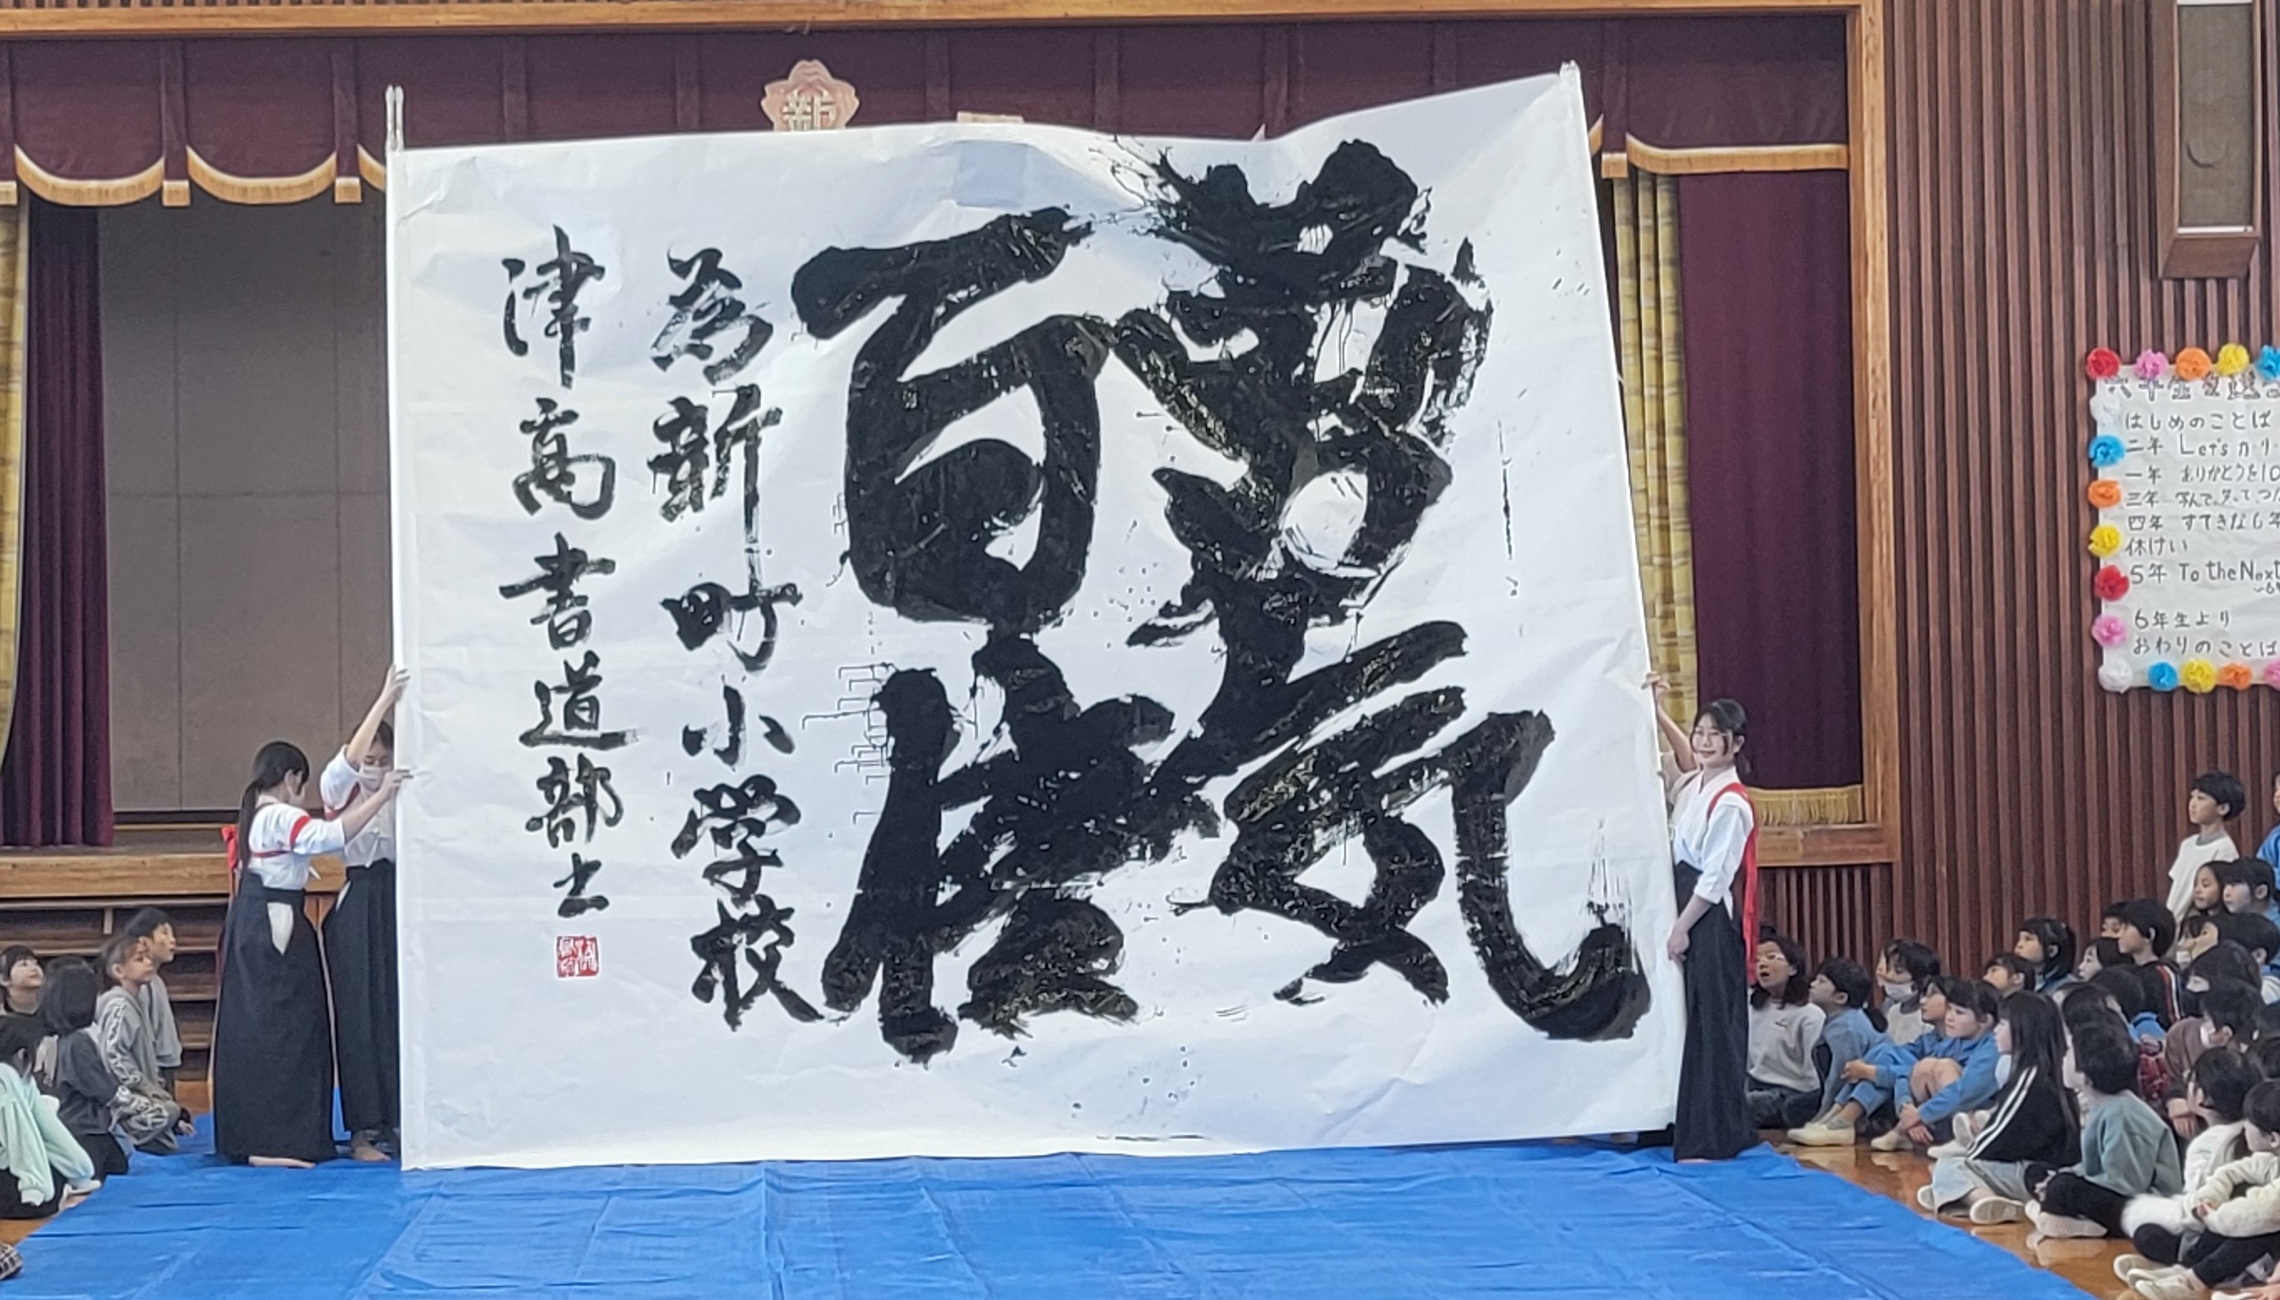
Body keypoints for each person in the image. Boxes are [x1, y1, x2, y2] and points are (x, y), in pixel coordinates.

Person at [213, 739, 405, 1167]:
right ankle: (277, 1141)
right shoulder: (279, 815)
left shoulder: (256, 813)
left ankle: (265, 1139)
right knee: (289, 1031)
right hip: (275, 923)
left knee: (266, 1029)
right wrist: (381, 795)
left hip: (262, 921)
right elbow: (330, 836)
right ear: (292, 778)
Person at [1650, 680, 1757, 1161]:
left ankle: (1714, 1136)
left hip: (1706, 919)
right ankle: (1682, 1123)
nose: (1704, 741)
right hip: (1682, 903)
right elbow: (1682, 761)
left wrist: (1682, 927)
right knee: (1684, 1017)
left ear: (1735, 744)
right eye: (1700, 732)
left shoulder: (1731, 802)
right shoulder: (1696, 785)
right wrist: (1658, 712)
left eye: (1716, 734)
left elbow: (1715, 878)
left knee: (1711, 1023)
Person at [324, 669, 406, 1164]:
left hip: (398, 896)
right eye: (369, 761)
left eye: (383, 760)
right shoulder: (342, 788)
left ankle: (400, 1117)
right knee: (358, 1015)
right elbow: (349, 764)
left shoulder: (404, 784)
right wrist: (384, 699)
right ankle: (362, 1129)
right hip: (358, 897)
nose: (375, 768)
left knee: (398, 1009)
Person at [1921, 990, 2078, 1224]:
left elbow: (1997, 1137)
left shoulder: (2031, 1079)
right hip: (2042, 1169)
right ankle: (1954, 1191)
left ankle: (1980, 1197)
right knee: (1951, 1168)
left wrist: (1970, 1163)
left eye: (2002, 1024)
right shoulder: (2046, 1071)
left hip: (2037, 1174)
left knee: (1950, 1166)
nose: (1995, 1030)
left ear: (2023, 1030)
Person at [2115, 1080, 2280, 1299]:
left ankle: (2194, 1281)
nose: (2244, 1127)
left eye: (2250, 1122)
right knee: (2232, 1212)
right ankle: (2185, 1269)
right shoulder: (2270, 1159)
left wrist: (2214, 1216)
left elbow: (2261, 1213)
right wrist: (2211, 1198)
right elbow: (2232, 1172)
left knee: (2253, 1228)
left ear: (2273, 1138)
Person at [2025, 1013, 2185, 1238]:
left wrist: (2065, 1182)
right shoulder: (2101, 1105)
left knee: (2062, 1187)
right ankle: (2065, 1217)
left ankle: (2064, 1216)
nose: (2062, 1058)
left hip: (2144, 1207)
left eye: (2068, 1053)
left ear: (2086, 1076)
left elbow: (2126, 1183)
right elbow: (2094, 1168)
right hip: (2115, 1189)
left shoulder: (2124, 1114)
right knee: (2036, 1172)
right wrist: (2064, 1175)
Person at [36, 957, 170, 1178]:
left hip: (78, 1125)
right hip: (84, 1129)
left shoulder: (58, 1039)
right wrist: (153, 1107)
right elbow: (106, 1092)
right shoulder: (77, 1043)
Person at [93, 935, 189, 1156]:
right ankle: (121, 1132)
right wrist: (145, 1088)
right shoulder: (119, 1006)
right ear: (119, 971)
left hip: (133, 1091)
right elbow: (113, 1056)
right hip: (119, 1096)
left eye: (148, 957)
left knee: (169, 1125)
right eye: (139, 959)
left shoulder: (134, 1002)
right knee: (168, 1111)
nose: (149, 962)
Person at [0, 1017, 95, 1219]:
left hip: (10, 1162)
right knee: (40, 1202)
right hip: (6, 1161)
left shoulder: (23, 1078)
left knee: (56, 1178)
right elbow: (21, 1137)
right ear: (23, 1053)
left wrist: (78, 1167)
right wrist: (33, 1185)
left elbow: (49, 1128)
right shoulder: (4, 1078)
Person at [1746, 931, 1825, 1129]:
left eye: (1771, 957)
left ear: (1792, 968)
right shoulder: (1749, 1007)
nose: (1762, 964)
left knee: (1740, 1107)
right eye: (1757, 960)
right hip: (1753, 1083)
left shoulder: (1810, 1014)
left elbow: (1813, 1072)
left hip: (1790, 1091)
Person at [2164, 982, 2261, 1141]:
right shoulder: (2191, 1041)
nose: (2203, 1026)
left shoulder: (2257, 1063)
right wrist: (2175, 1098)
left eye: (2208, 1021)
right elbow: (2178, 1082)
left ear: (2226, 1033)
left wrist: (2190, 1105)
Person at [1801, 957, 1886, 1126]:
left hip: (1871, 1092)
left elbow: (1841, 1077)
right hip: (1848, 1089)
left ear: (1840, 997)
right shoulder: (1839, 1020)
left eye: (1821, 981)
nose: (1812, 984)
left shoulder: (1847, 1027)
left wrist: (1823, 1114)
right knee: (1795, 1108)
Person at [118, 909, 182, 1097]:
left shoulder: (156, 981)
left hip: (165, 1065)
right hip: (155, 1070)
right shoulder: (142, 986)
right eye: (164, 933)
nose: (172, 940)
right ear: (144, 941)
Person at [2169, 773, 2246, 923]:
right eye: (2192, 797)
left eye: (2201, 798)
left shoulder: (2224, 849)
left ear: (2222, 808)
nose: (2192, 804)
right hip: (2174, 921)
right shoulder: (2187, 844)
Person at [2109, 899, 2185, 1027]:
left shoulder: (2164, 974)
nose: (2119, 935)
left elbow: (2174, 1020)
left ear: (2149, 934)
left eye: (2126, 928)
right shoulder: (2123, 972)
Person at [1878, 939, 1943, 1047]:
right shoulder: (1892, 1011)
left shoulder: (1927, 1018)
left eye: (1898, 971)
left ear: (1922, 981)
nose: (1889, 976)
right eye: (1889, 969)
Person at [2017, 918, 2079, 995]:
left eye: (2028, 939)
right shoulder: (2017, 982)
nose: (2019, 945)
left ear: (2052, 950)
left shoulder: (2069, 987)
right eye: (2019, 939)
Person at [0, 948, 40, 1020]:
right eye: (24, 964)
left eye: (36, 963)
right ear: (4, 979)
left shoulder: (53, 1007)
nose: (34, 968)